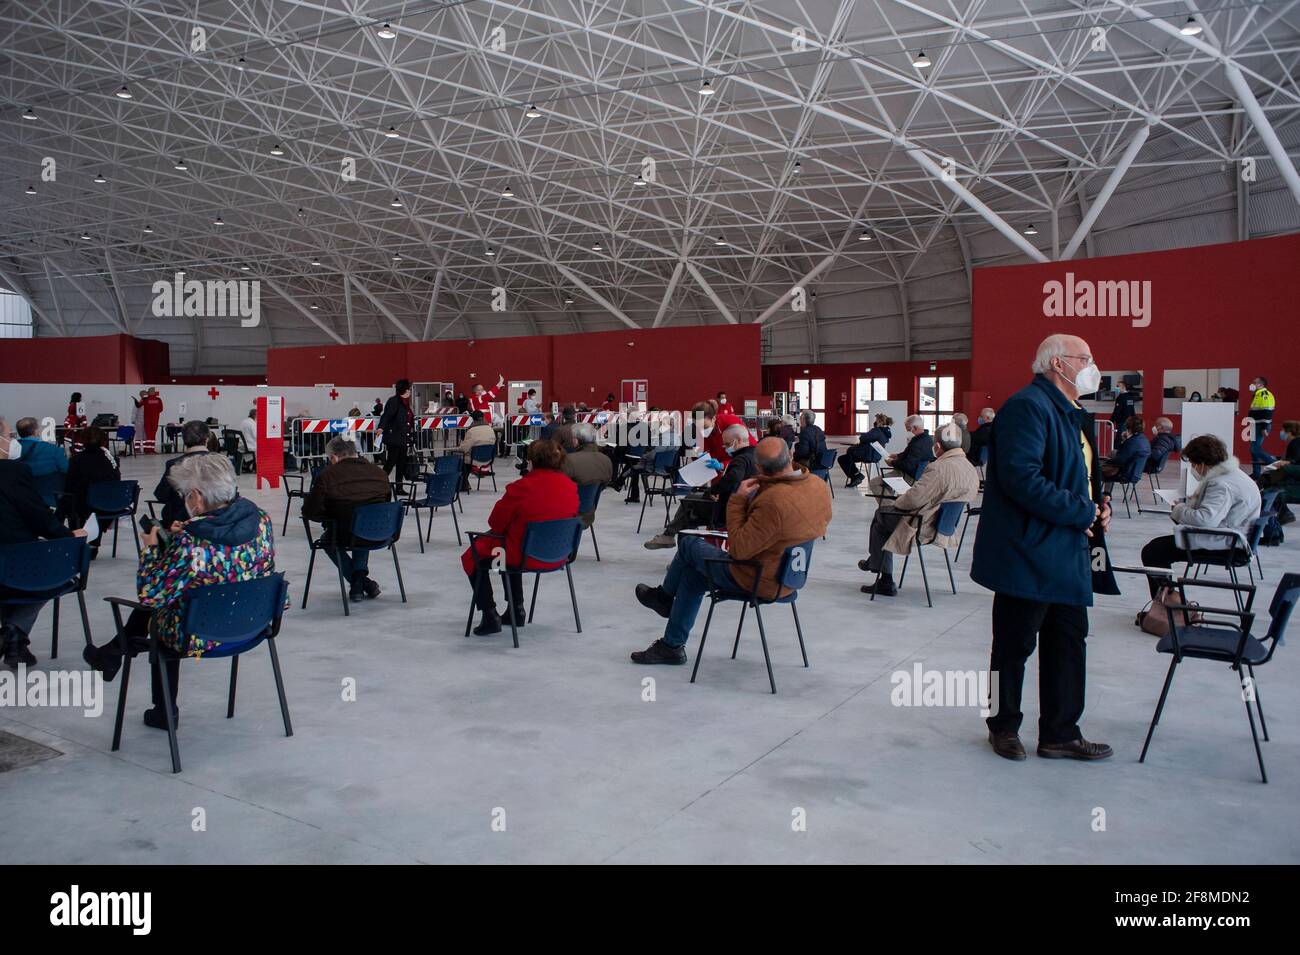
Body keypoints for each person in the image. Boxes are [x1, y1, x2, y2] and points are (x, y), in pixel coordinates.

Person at [971, 333, 1113, 762]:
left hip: (1067, 551)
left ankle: (1060, 732)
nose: (1092, 365)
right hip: (1028, 553)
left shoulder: (1072, 413)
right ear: (1058, 364)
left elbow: (1079, 476)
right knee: (1012, 647)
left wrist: (1097, 508)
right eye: (1084, 358)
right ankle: (1002, 726)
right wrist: (1080, 511)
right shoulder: (1027, 408)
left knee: (1068, 643)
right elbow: (1021, 478)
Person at [82, 454, 276, 729]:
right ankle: (111, 653)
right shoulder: (260, 519)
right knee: (176, 599)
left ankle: (163, 710)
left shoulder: (190, 541)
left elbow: (150, 594)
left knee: (160, 611)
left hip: (201, 635)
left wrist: (151, 548)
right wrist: (190, 530)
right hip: (251, 622)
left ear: (196, 497)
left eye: (185, 494)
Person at [630, 437, 832, 664]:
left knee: (687, 541)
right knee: (692, 576)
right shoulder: (817, 486)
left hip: (758, 578)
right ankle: (671, 645)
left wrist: (738, 501)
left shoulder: (774, 500)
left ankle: (664, 598)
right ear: (791, 456)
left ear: (759, 469)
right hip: (792, 575)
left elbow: (739, 549)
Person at [462, 439, 578, 636]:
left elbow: (496, 523)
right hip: (559, 554)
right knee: (506, 550)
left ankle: (490, 614)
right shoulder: (570, 486)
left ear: (532, 461)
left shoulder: (521, 488)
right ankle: (516, 609)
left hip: (522, 555)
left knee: (473, 554)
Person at [858, 422, 978, 596]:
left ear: (937, 446)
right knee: (883, 519)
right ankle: (876, 564)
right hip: (945, 526)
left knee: (880, 517)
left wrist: (897, 502)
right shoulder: (969, 468)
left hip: (924, 526)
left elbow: (914, 498)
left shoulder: (939, 468)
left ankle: (884, 578)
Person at [0, 424, 85, 668]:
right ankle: (11, 632)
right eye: (7, 436)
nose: (11, 441)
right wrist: (68, 534)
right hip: (17, 558)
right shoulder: (13, 471)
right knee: (59, 576)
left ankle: (15, 644)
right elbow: (36, 516)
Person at [1138, 435, 1261, 597]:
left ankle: (1165, 605)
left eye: (1193, 464)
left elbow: (1205, 520)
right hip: (1235, 540)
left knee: (1153, 551)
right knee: (1158, 548)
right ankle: (1167, 598)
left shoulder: (1221, 484)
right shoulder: (1235, 475)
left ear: (1202, 463)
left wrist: (1179, 509)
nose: (1193, 469)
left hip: (1227, 545)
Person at [302, 436, 392, 601]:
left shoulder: (328, 475)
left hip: (345, 533)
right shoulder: (379, 472)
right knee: (365, 523)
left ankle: (358, 581)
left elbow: (310, 511)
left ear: (333, 457)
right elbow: (386, 502)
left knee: (330, 538)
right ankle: (360, 581)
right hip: (382, 531)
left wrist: (328, 516)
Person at [644, 423, 756, 549]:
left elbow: (733, 478)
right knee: (690, 507)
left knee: (688, 505)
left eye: (728, 444)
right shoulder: (755, 456)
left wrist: (713, 491)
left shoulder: (740, 460)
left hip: (726, 509)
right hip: (744, 507)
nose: (725, 448)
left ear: (739, 441)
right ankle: (674, 541)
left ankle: (672, 541)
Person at [65, 426, 120, 557]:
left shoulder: (76, 460)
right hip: (109, 505)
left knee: (71, 502)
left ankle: (77, 541)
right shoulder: (111, 461)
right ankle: (94, 544)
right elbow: (117, 479)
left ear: (83, 441)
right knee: (97, 501)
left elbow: (69, 485)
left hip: (84, 506)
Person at [154, 420, 212, 526]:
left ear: (184, 439)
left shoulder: (174, 464)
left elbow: (161, 495)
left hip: (181, 520)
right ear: (207, 439)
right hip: (215, 519)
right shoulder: (222, 462)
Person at [561, 423, 613, 528]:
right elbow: (602, 486)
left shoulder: (568, 461)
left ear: (575, 441)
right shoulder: (606, 460)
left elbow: (559, 487)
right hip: (589, 514)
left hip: (566, 516)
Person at [869, 415, 933, 495]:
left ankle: (889, 506)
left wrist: (892, 462)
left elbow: (907, 465)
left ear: (915, 428)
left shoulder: (918, 444)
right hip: (915, 473)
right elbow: (911, 454)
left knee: (874, 483)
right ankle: (891, 504)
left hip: (908, 476)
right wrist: (897, 456)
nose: (907, 432)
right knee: (885, 484)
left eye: (908, 429)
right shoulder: (927, 439)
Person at [691, 400, 754, 467]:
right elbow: (700, 450)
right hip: (716, 468)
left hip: (740, 466)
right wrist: (696, 454)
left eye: (704, 426)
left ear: (713, 418)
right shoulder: (700, 431)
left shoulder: (731, 424)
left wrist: (723, 465)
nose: (701, 430)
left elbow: (748, 456)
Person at [838, 413, 893, 487]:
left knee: (843, 458)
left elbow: (863, 438)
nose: (875, 422)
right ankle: (856, 475)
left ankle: (856, 475)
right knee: (848, 457)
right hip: (875, 456)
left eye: (876, 420)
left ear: (879, 422)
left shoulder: (877, 431)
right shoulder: (885, 433)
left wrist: (863, 435)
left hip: (868, 455)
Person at [377, 378, 415, 486]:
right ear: (405, 390)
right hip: (394, 438)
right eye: (409, 389)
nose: (410, 391)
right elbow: (386, 416)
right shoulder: (394, 401)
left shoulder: (405, 402)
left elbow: (408, 418)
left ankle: (399, 487)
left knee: (401, 464)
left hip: (403, 438)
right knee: (391, 462)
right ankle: (379, 483)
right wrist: (381, 427)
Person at [454, 411, 497, 491]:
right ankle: (465, 483)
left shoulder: (471, 431)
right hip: (488, 459)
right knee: (468, 459)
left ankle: (463, 484)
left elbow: (464, 448)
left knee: (461, 461)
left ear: (472, 419)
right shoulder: (490, 429)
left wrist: (457, 449)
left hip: (475, 459)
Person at [1101, 415, 1150, 481]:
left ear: (1128, 427)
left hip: (1125, 474)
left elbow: (1120, 459)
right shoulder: (1144, 439)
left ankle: (1100, 491)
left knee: (1096, 470)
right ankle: (1106, 491)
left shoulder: (1130, 442)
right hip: (1135, 473)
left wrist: (1106, 461)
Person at [1248, 375, 1276, 479]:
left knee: (1255, 448)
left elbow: (1268, 411)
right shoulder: (1257, 394)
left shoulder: (1264, 394)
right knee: (1253, 449)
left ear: (1261, 384)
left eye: (1255, 383)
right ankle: (1256, 474)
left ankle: (1276, 465)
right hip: (1255, 425)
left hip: (1260, 426)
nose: (1252, 384)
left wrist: (1265, 427)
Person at [140, 387, 164, 453]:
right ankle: (152, 450)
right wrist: (155, 412)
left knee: (147, 435)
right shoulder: (158, 399)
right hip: (155, 420)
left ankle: (147, 450)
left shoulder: (145, 399)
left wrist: (142, 397)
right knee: (153, 435)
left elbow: (139, 405)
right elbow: (161, 409)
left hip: (147, 420)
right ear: (154, 392)